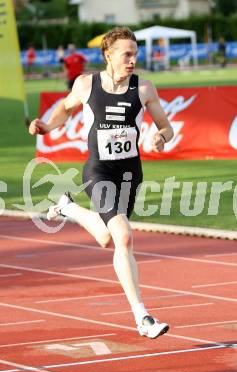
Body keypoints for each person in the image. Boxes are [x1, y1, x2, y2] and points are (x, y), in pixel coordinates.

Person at [29, 26, 174, 339]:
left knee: (109, 240)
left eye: (135, 53)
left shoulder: (145, 88)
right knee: (123, 237)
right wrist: (46, 126)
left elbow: (166, 126)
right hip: (99, 171)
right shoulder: (86, 84)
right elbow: (64, 109)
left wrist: (161, 137)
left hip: (130, 174)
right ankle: (142, 317)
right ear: (109, 55)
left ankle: (68, 207)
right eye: (127, 54)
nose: (133, 59)